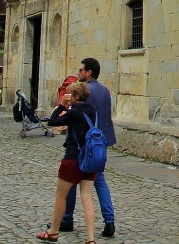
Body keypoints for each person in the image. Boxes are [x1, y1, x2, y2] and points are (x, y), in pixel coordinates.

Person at [58, 58, 116, 238]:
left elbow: (75, 116)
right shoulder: (106, 91)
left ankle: (66, 220)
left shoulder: (83, 92)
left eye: (81, 70)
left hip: (83, 144)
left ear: (89, 72)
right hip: (101, 142)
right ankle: (109, 220)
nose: (78, 73)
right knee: (99, 181)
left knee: (72, 181)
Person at [36, 82, 98, 244]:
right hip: (89, 158)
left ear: (77, 96)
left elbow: (53, 121)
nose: (68, 97)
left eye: (70, 94)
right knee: (87, 197)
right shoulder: (92, 111)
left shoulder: (74, 112)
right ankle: (91, 238)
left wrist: (62, 105)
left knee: (61, 195)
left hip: (73, 157)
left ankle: (53, 231)